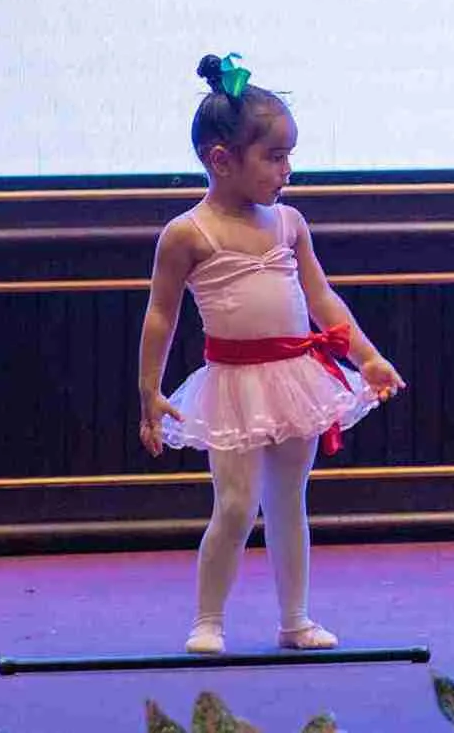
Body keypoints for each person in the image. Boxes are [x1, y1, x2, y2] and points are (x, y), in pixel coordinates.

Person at [137, 54, 404, 654]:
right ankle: (208, 621)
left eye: (289, 156)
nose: (288, 170)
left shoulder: (288, 223)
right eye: (275, 157)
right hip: (232, 384)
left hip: (295, 379)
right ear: (221, 160)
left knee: (289, 501)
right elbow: (160, 315)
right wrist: (149, 390)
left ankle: (295, 620)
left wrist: (366, 357)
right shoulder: (187, 233)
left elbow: (322, 299)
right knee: (235, 506)